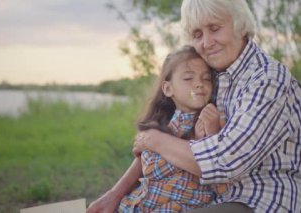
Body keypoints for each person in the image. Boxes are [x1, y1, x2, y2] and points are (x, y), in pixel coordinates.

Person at [88, 0, 301, 212]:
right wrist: (115, 194)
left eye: (215, 29)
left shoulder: (267, 79)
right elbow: (167, 142)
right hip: (207, 199)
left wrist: (154, 139)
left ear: (239, 24)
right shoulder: (209, 76)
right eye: (197, 35)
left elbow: (224, 162)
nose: (207, 43)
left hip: (260, 200)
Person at [88, 45, 227, 213]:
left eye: (206, 79)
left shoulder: (212, 121)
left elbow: (220, 179)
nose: (199, 84)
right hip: (140, 204)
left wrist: (210, 133)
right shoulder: (162, 127)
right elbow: (149, 168)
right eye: (188, 78)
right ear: (168, 89)